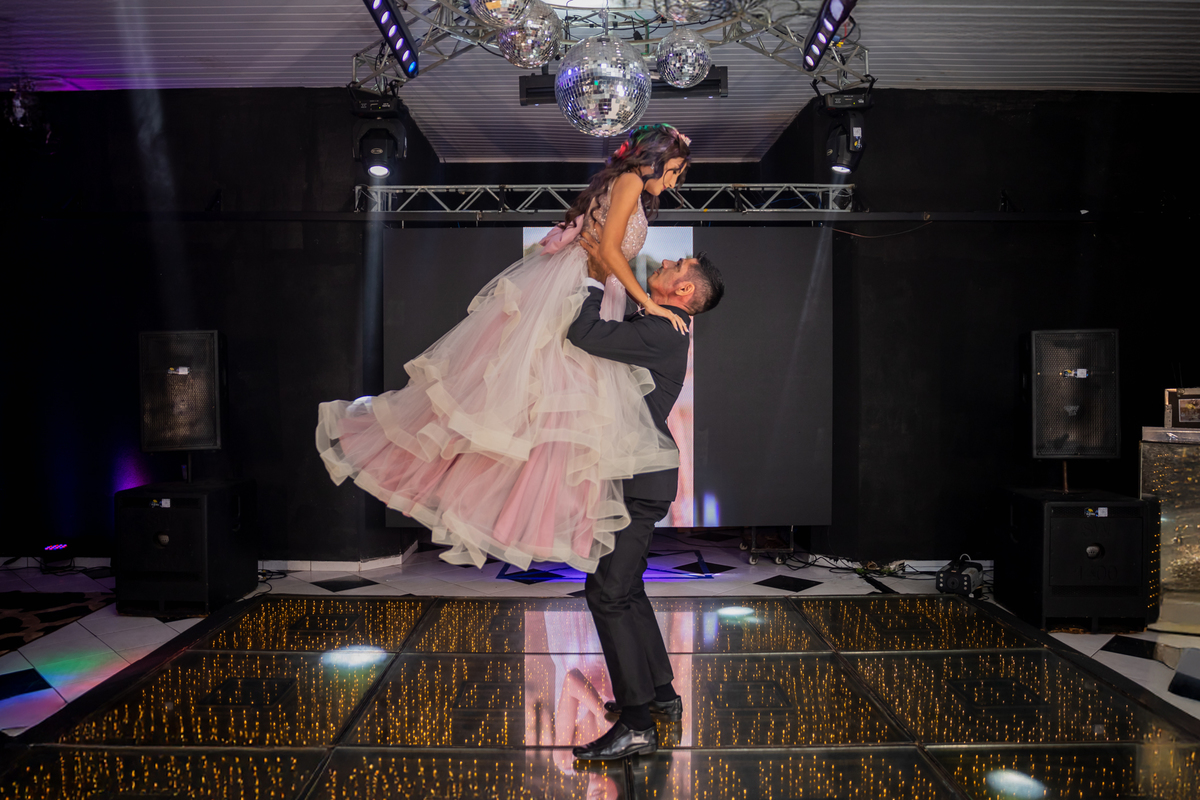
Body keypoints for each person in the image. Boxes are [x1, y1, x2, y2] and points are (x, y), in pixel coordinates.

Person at [315, 124, 692, 574]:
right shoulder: (630, 180)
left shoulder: (630, 187)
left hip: (597, 288)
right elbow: (610, 250)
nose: (674, 182)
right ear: (653, 159)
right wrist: (649, 302)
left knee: (556, 412)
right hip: (581, 285)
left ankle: (533, 520)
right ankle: (526, 519)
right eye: (674, 170)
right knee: (548, 402)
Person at [566, 227, 725, 761]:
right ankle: (660, 698)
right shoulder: (659, 324)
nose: (667, 263)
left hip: (640, 481)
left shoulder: (662, 331)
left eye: (677, 265)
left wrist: (593, 276)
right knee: (626, 589)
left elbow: (584, 333)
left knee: (606, 593)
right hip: (641, 476)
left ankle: (636, 724)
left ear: (684, 291)